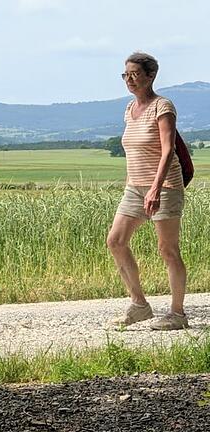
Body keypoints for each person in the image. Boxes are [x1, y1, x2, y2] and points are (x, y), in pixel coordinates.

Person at [106, 52, 188, 330]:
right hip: (135, 188)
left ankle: (177, 315)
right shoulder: (129, 109)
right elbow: (135, 151)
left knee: (168, 249)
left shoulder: (162, 106)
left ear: (150, 76)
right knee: (115, 241)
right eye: (125, 74)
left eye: (134, 74)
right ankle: (139, 305)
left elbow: (168, 150)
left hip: (164, 186)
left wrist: (155, 187)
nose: (129, 79)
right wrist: (134, 184)